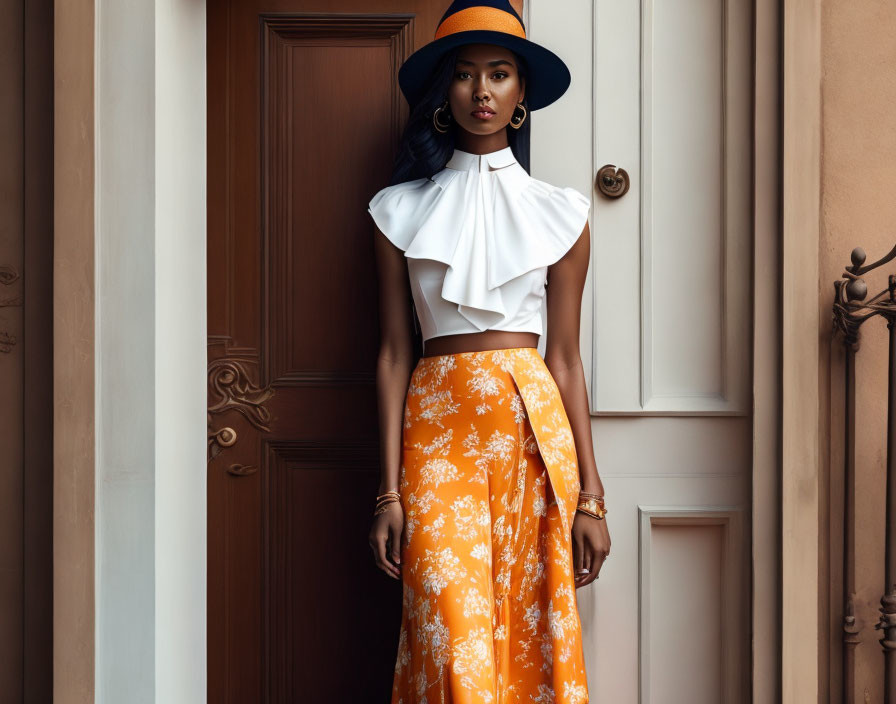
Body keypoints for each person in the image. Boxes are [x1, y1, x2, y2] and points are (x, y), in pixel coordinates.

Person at [367, 1, 610, 701]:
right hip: (437, 436)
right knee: (449, 636)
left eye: (499, 74)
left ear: (521, 92)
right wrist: (387, 490)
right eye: (467, 75)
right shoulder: (395, 211)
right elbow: (391, 354)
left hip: (532, 438)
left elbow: (564, 358)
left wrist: (591, 498)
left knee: (534, 638)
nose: (482, 91)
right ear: (446, 90)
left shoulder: (563, 215)